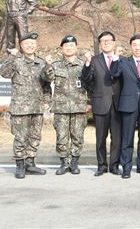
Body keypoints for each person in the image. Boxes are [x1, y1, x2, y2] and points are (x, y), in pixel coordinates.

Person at [0, 32, 47, 178]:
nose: (30, 46)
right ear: (21, 46)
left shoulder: (42, 62)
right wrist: (11, 57)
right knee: (20, 137)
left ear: (36, 46)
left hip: (37, 107)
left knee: (35, 136)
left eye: (32, 44)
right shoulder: (16, 61)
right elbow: (4, 73)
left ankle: (30, 164)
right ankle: (20, 165)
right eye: (27, 44)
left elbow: (46, 84)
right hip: (20, 108)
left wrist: (46, 101)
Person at [110, 34, 140, 179]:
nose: (137, 47)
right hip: (128, 104)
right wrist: (116, 58)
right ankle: (126, 167)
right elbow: (114, 73)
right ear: (131, 46)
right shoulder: (124, 62)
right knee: (127, 138)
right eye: (134, 45)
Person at [42, 35, 90, 175]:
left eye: (72, 45)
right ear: (61, 48)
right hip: (61, 108)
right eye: (66, 46)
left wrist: (90, 103)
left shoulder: (83, 65)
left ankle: (74, 163)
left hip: (79, 107)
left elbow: (91, 84)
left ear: (76, 47)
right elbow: (47, 78)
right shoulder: (55, 65)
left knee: (77, 136)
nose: (69, 48)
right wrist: (48, 66)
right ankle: (64, 163)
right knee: (61, 136)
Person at [81, 31, 122, 176]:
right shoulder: (94, 60)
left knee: (116, 138)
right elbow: (86, 79)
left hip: (118, 105)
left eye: (109, 40)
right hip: (100, 104)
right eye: (103, 41)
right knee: (100, 138)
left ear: (114, 42)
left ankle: (115, 165)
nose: (106, 42)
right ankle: (102, 166)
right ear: (100, 44)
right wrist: (86, 63)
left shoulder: (121, 59)